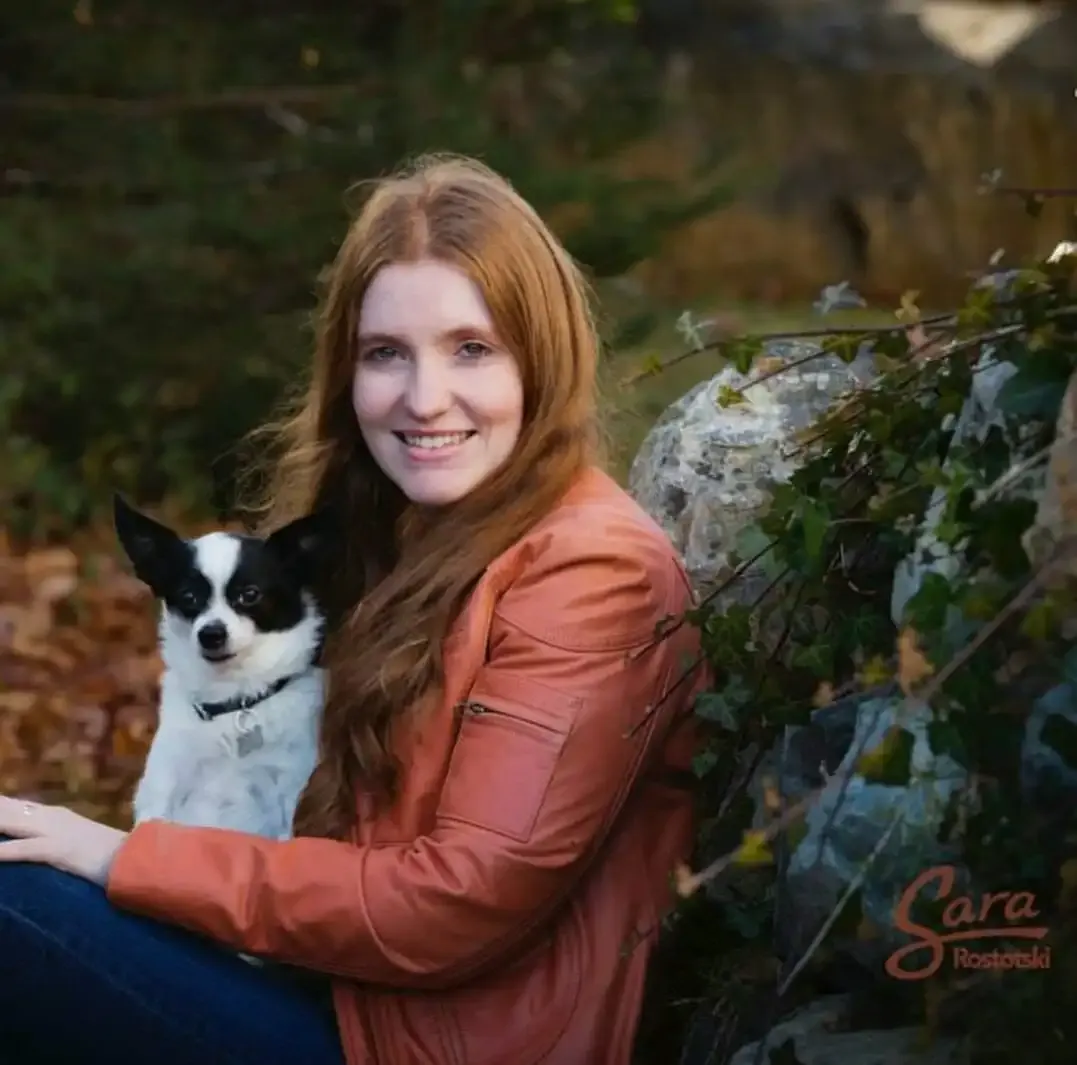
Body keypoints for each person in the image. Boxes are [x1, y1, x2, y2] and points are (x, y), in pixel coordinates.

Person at [0, 153, 708, 1065]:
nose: (423, 398)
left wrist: (120, 859)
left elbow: (455, 905)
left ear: (542, 357)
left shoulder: (591, 571)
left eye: (471, 348)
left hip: (423, 1044)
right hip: (318, 983)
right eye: (386, 354)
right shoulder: (398, 527)